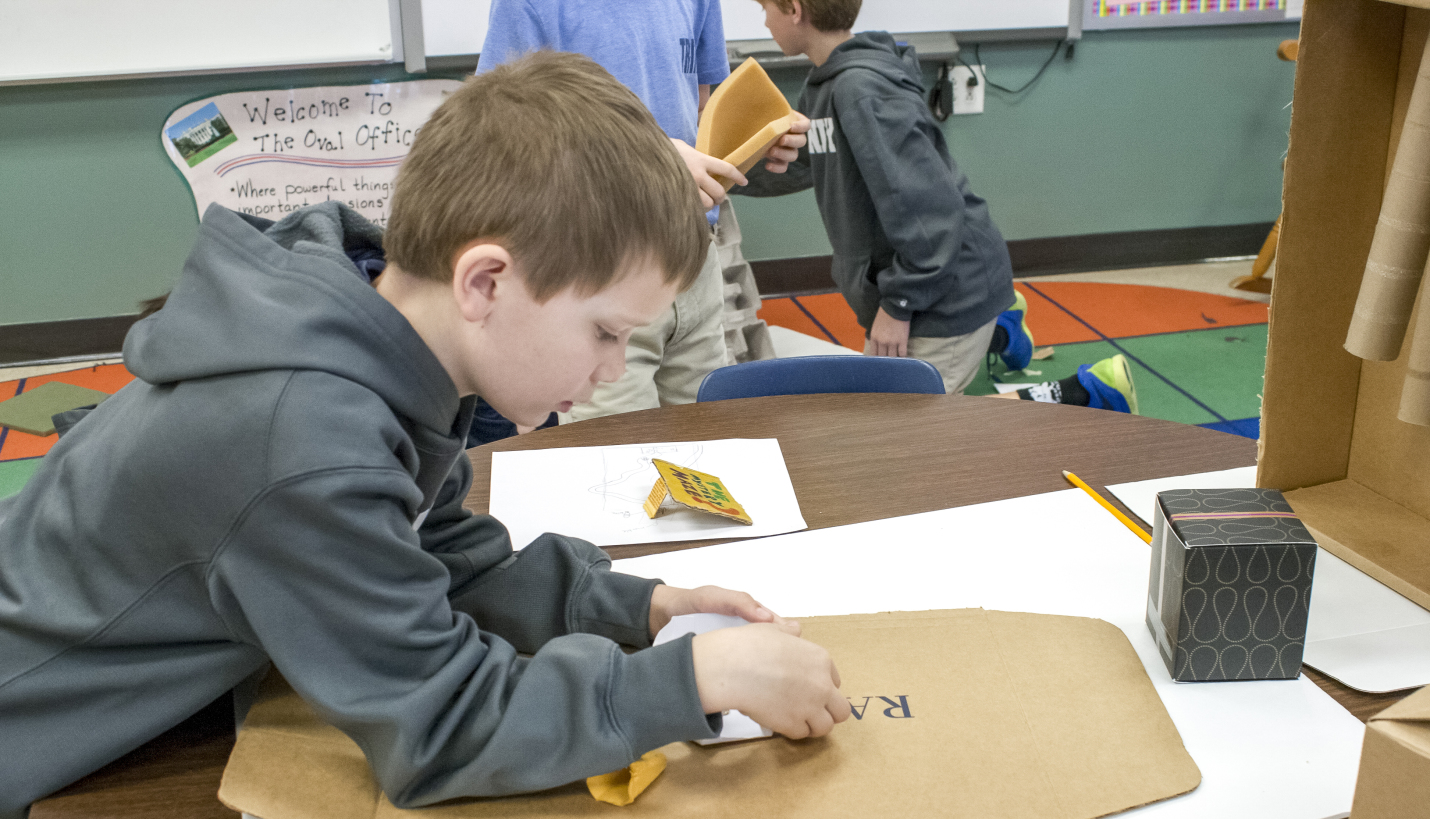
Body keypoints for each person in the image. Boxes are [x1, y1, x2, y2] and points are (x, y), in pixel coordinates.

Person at [0, 53, 848, 818]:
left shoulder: (383, 332)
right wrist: (692, 678)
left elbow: (436, 559)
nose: (609, 368)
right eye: (603, 332)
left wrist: (640, 607)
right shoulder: (302, 438)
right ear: (485, 280)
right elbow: (437, 727)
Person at [741, 0, 1137, 413]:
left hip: (939, 292)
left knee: (907, 431)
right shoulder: (825, 84)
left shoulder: (862, 90)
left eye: (765, 8)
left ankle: (1087, 393)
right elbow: (803, 162)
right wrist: (713, 174)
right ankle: (1000, 330)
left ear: (795, 10)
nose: (764, 21)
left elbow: (928, 210)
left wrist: (899, 305)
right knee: (880, 414)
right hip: (931, 283)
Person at [476, 0, 808, 424]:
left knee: (707, 449)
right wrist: (648, 156)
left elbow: (702, 115)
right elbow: (502, 136)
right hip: (601, 267)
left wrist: (759, 138)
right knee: (617, 466)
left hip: (694, 259)